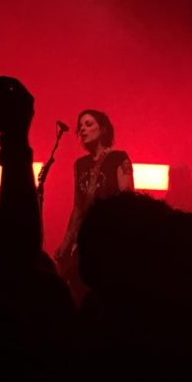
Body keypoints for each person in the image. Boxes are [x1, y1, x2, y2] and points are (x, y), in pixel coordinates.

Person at [53, 109, 133, 282]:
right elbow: (78, 207)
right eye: (80, 126)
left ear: (103, 129)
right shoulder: (80, 164)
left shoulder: (118, 158)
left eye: (88, 124)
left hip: (110, 236)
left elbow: (127, 201)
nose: (82, 129)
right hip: (85, 238)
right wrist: (66, 242)